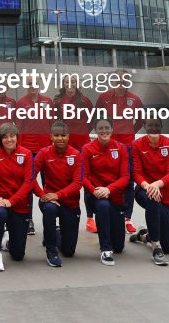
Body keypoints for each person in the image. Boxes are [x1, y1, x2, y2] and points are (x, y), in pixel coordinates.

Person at [94, 69, 144, 234]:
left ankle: (126, 218)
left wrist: (130, 132)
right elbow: (96, 116)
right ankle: (104, 213)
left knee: (128, 182)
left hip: (128, 146)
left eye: (124, 80)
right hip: (108, 145)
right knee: (106, 179)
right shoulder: (104, 97)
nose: (121, 83)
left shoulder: (134, 99)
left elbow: (141, 120)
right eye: (118, 80)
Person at [0, 123, 34, 271]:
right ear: (0, 139)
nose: (9, 140)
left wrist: (12, 201)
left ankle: (7, 242)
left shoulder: (26, 154)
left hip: (19, 203)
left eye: (12, 136)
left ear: (17, 137)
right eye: (5, 137)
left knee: (18, 255)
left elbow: (28, 182)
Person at [129, 118, 169, 266]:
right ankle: (156, 247)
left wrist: (157, 185)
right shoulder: (137, 145)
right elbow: (136, 173)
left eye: (157, 125)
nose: (153, 128)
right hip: (143, 190)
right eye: (150, 125)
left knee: (168, 247)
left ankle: (144, 236)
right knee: (152, 199)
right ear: (144, 126)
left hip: (165, 195)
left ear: (162, 127)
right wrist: (149, 187)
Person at [33, 121, 83, 267]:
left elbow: (77, 183)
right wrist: (42, 194)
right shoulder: (44, 153)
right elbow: (30, 177)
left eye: (63, 135)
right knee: (49, 209)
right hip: (49, 201)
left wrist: (58, 195)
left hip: (70, 203)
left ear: (68, 136)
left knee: (69, 251)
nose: (60, 138)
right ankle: (51, 249)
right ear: (51, 137)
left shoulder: (76, 155)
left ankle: (55, 233)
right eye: (56, 135)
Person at [82, 119, 129, 266]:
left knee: (120, 248)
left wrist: (109, 189)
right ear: (95, 130)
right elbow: (83, 177)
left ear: (112, 129)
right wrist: (94, 190)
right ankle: (105, 250)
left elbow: (125, 177)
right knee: (103, 206)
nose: (104, 131)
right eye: (100, 128)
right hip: (95, 196)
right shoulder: (88, 149)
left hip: (114, 196)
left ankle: (142, 236)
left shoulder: (120, 148)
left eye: (107, 127)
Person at [53, 74, 95, 229]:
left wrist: (82, 132)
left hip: (83, 145)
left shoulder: (85, 101)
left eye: (73, 82)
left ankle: (90, 218)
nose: (70, 84)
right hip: (64, 147)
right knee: (64, 181)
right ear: (63, 84)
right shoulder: (57, 101)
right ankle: (60, 217)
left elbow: (91, 120)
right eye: (67, 82)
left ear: (77, 84)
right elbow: (55, 122)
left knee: (86, 181)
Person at [14, 84, 53, 237]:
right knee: (28, 184)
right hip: (28, 150)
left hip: (45, 150)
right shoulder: (21, 103)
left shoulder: (48, 101)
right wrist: (21, 149)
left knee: (47, 183)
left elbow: (51, 124)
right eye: (29, 84)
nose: (33, 87)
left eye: (35, 84)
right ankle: (28, 219)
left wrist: (51, 147)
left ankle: (50, 218)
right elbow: (19, 127)